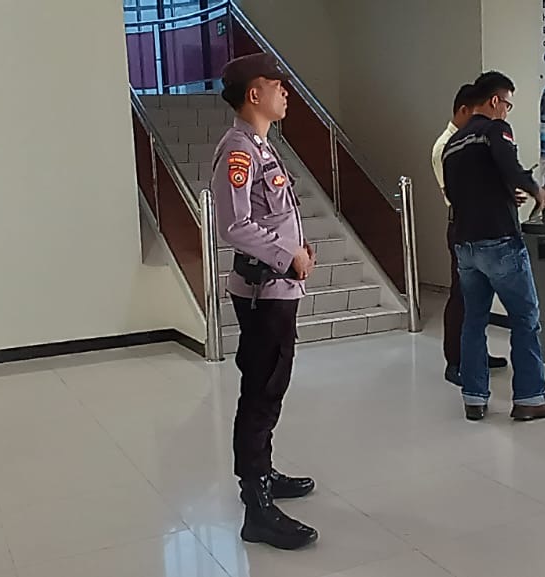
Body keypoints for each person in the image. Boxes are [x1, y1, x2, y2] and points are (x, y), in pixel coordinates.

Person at [212, 52, 319, 551]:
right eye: (278, 85)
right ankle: (255, 506)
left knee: (270, 387)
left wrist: (297, 250)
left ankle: (264, 473)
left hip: (276, 286)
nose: (285, 92)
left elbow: (270, 215)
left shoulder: (261, 145)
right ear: (254, 94)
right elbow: (233, 225)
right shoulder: (239, 150)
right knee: (260, 391)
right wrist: (285, 255)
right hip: (262, 292)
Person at [442, 71, 545, 422]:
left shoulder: (453, 143)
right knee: (525, 318)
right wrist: (537, 191)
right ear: (495, 101)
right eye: (507, 104)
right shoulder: (496, 130)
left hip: (465, 244)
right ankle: (530, 398)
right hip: (499, 241)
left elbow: (461, 192)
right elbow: (509, 166)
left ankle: (474, 398)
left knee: (473, 320)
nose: (507, 111)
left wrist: (504, 193)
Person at [431, 83, 508, 387]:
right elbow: (455, 193)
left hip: (481, 223)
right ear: (464, 110)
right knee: (461, 294)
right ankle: (455, 360)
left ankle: (476, 353)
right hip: (462, 224)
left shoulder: (471, 140)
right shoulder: (445, 146)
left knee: (480, 294)